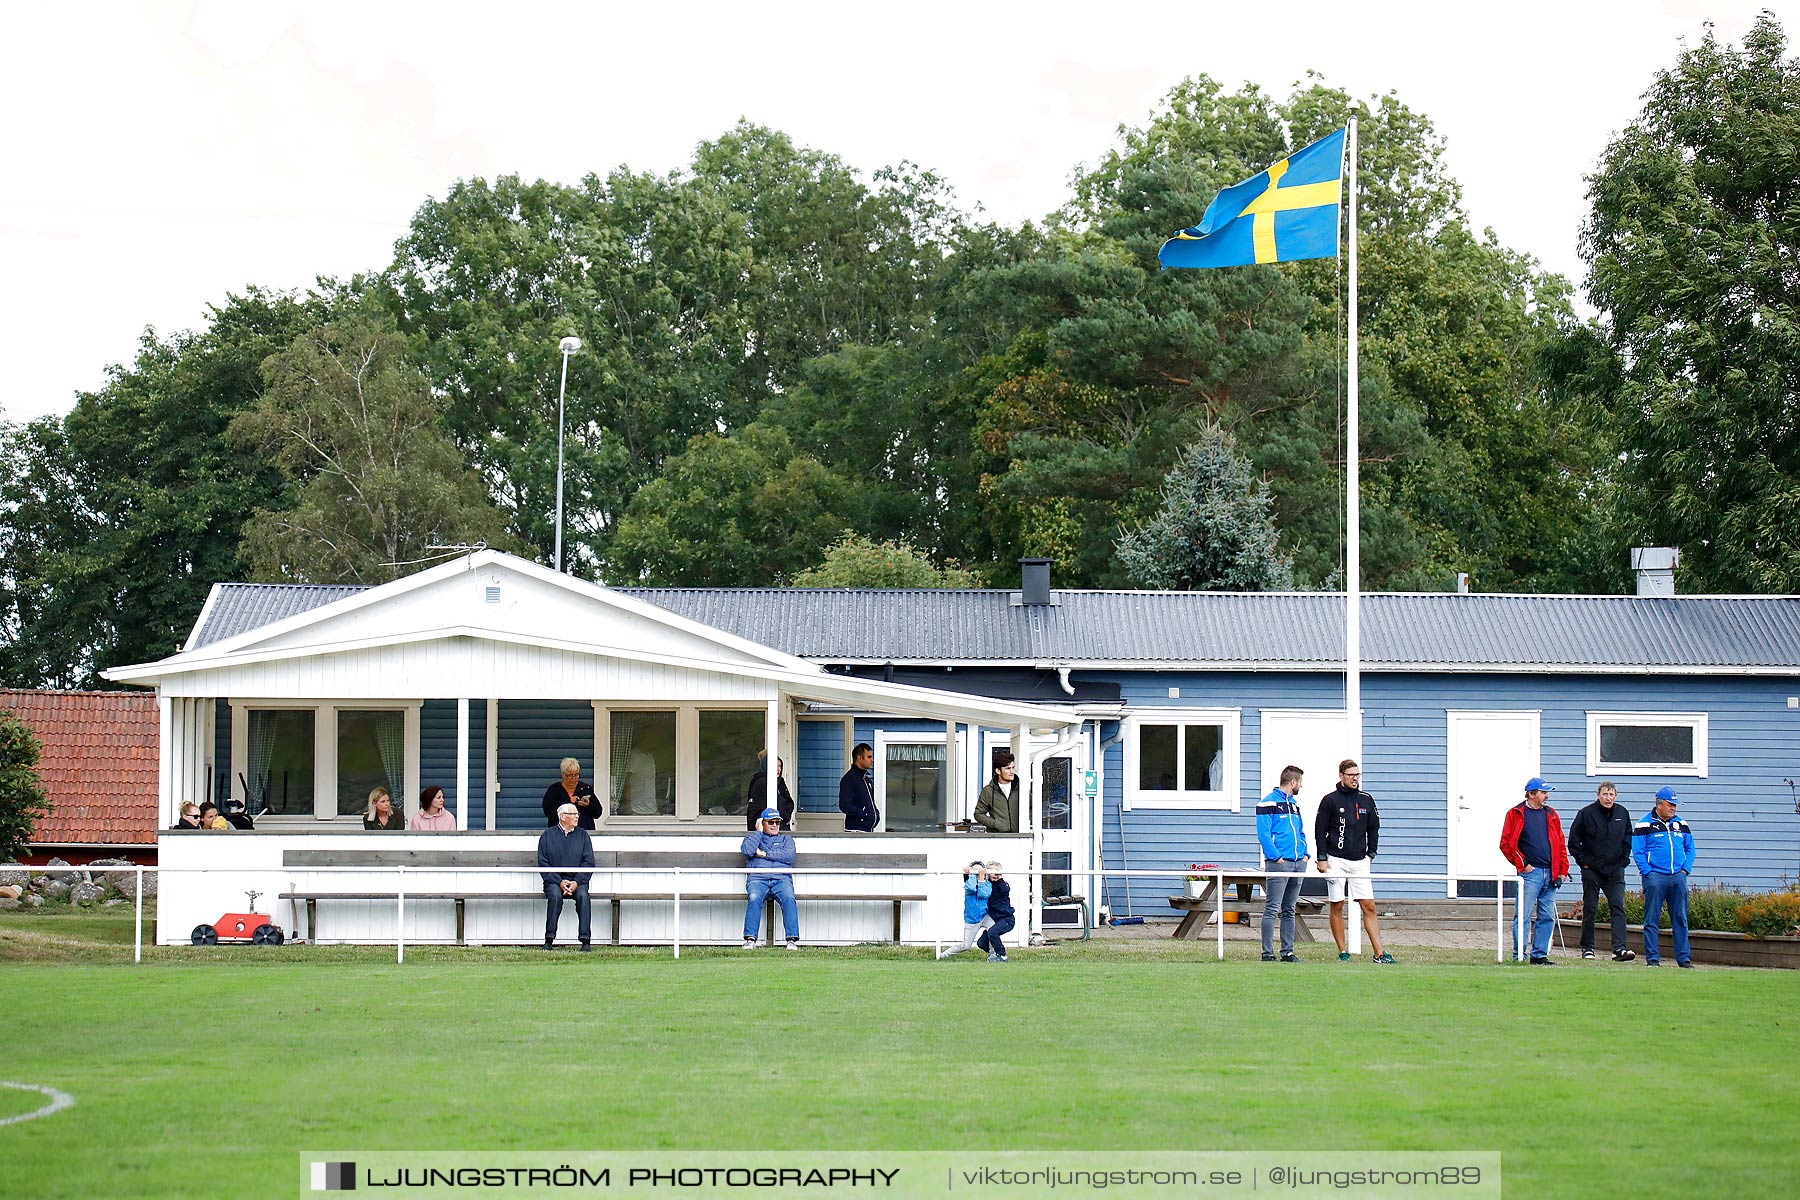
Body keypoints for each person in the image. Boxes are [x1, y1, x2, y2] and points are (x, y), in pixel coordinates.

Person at [1314, 759, 1394, 963]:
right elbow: (1320, 830)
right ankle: (1343, 951)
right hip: (1335, 859)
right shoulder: (1329, 800)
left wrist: (1371, 853)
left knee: (1369, 905)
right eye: (1351, 775)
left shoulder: (1366, 799)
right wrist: (1322, 858)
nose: (1354, 779)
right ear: (1341, 776)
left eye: (1357, 775)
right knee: (1337, 904)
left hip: (1360, 860)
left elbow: (1374, 827)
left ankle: (1379, 953)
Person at [1500, 777, 1570, 964]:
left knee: (1547, 916)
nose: (1547, 796)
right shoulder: (1515, 814)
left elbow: (1560, 844)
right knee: (1523, 915)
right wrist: (1523, 865)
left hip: (1551, 871)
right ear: (1531, 794)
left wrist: (1563, 871)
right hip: (1530, 874)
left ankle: (1539, 955)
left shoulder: (1551, 814)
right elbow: (1506, 844)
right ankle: (1519, 956)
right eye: (1543, 792)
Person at [1568, 781, 1635, 961]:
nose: (1608, 798)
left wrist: (1623, 861)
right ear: (1598, 794)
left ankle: (1619, 949)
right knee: (1590, 907)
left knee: (1618, 906)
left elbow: (1628, 837)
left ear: (1616, 796)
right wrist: (1583, 863)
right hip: (1592, 869)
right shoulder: (1586, 813)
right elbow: (1573, 841)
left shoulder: (1622, 813)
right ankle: (1587, 948)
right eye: (1605, 794)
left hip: (1615, 870)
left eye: (1611, 794)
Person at [1633, 786, 1696, 968]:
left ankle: (1684, 959)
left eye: (1675, 805)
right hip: (1655, 877)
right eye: (1670, 804)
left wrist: (1685, 870)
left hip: (1678, 876)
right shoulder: (1644, 824)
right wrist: (1648, 873)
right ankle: (1653, 959)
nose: (1673, 808)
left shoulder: (1681, 824)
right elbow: (1638, 851)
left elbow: (1690, 848)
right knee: (1651, 919)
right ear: (1659, 804)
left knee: (1680, 919)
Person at [1256, 765, 1309, 962]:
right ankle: (1267, 953)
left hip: (1298, 862)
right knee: (1272, 908)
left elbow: (1300, 831)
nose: (1301, 786)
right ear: (1293, 782)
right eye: (1300, 782)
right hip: (1279, 863)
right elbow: (1264, 834)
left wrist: (1305, 854)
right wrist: (1276, 857)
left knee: (1289, 909)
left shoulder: (1294, 804)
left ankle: (1287, 952)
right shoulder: (1267, 803)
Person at [536, 802, 594, 950]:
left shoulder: (583, 835)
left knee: (583, 896)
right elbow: (543, 864)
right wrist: (559, 881)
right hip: (554, 881)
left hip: (578, 881)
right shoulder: (547, 836)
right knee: (555, 896)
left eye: (577, 814)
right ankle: (549, 940)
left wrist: (576, 882)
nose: (577, 817)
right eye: (573, 814)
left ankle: (585, 941)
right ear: (562, 817)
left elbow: (588, 863)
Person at [740, 808, 799, 949]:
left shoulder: (786, 839)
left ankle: (791, 940)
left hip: (781, 879)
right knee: (754, 897)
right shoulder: (753, 838)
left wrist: (764, 854)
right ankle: (750, 940)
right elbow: (747, 850)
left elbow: (789, 856)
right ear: (762, 823)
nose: (774, 825)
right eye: (770, 822)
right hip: (758, 879)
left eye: (777, 822)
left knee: (789, 898)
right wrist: (758, 832)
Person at [945, 861, 993, 956]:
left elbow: (984, 894)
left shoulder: (987, 884)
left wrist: (981, 879)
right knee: (966, 946)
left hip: (984, 916)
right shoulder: (968, 884)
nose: (977, 872)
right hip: (972, 919)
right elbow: (972, 888)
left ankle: (994, 954)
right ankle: (944, 955)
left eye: (980, 870)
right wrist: (970, 874)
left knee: (993, 930)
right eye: (975, 870)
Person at [542, 758, 602, 828]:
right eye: (570, 775)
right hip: (560, 834)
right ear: (563, 774)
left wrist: (589, 805)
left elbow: (598, 813)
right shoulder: (554, 790)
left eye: (576, 775)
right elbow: (549, 812)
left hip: (583, 833)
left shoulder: (586, 789)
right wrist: (568, 803)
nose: (573, 779)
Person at [743, 752, 796, 831]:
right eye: (775, 766)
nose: (779, 769)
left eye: (780, 766)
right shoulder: (762, 782)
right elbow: (778, 805)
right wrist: (785, 815)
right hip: (765, 830)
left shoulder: (780, 782)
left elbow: (789, 802)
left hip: (778, 827)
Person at [975, 862, 1015, 963]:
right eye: (993, 872)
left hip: (1006, 919)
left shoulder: (1002, 885)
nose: (995, 875)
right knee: (981, 943)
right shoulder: (987, 886)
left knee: (993, 932)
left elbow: (1005, 890)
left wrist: (1000, 879)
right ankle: (995, 953)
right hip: (994, 920)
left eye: (998, 873)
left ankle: (1002, 956)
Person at [973, 751, 1020, 833]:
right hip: (998, 838)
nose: (1012, 772)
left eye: (1013, 767)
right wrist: (996, 824)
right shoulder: (988, 791)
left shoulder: (1022, 788)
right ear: (998, 771)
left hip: (1021, 837)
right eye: (1008, 768)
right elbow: (978, 814)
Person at [838, 742, 879, 832]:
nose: (872, 760)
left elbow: (870, 802)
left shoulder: (867, 780)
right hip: (855, 830)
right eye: (869, 757)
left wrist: (876, 813)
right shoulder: (849, 779)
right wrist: (863, 813)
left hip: (868, 830)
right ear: (860, 758)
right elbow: (844, 804)